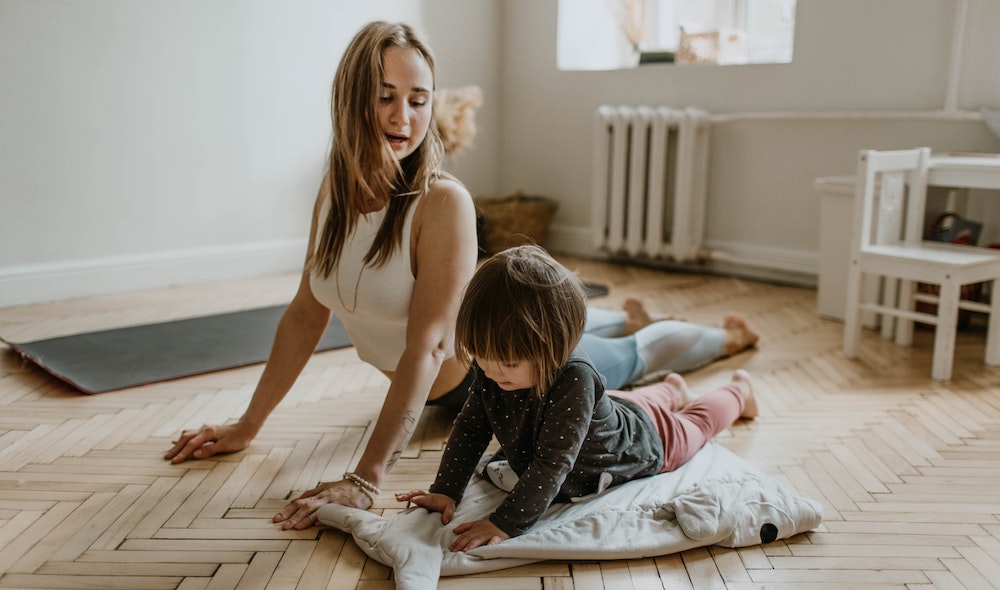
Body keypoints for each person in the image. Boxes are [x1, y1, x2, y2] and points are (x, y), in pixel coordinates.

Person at [163, 20, 757, 530]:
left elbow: (427, 346)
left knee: (628, 357)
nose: (404, 116)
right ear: (350, 98)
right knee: (610, 346)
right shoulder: (334, 193)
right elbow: (303, 315)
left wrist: (366, 478)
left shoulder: (441, 202)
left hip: (511, 373)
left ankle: (722, 341)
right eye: (385, 96)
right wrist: (248, 423)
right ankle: (633, 335)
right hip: (478, 371)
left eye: (418, 99)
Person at [396, 245, 758, 552]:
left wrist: (505, 522)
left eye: (506, 363)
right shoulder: (495, 368)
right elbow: (472, 427)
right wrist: (446, 489)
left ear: (554, 346)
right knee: (630, 403)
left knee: (696, 423)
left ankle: (739, 391)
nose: (490, 372)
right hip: (612, 410)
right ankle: (673, 388)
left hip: (644, 440)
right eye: (481, 357)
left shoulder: (575, 378)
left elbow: (553, 463)